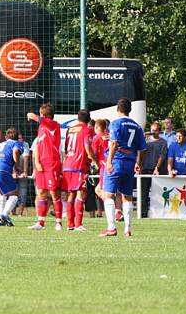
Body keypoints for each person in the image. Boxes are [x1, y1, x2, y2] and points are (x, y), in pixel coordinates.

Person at [100, 98, 146, 237]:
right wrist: (138, 163)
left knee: (108, 194)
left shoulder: (116, 123)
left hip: (117, 161)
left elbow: (113, 144)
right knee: (127, 196)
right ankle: (127, 229)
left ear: (118, 109)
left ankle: (111, 228)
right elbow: (143, 149)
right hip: (130, 163)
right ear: (129, 110)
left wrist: (109, 161)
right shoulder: (137, 126)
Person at [27, 103, 63, 231]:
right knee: (41, 192)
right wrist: (37, 163)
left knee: (54, 192)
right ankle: (40, 222)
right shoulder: (41, 128)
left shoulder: (54, 125)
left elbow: (41, 120)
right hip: (41, 163)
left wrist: (32, 116)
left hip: (51, 162)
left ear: (44, 115)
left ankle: (58, 222)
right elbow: (38, 146)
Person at [61, 110, 97, 231]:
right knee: (82, 193)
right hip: (79, 164)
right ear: (88, 119)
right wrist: (95, 161)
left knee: (71, 194)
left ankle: (70, 224)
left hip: (67, 164)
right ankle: (78, 224)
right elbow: (87, 146)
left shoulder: (70, 129)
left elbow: (65, 149)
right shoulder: (87, 130)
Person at [140, 122, 168, 217]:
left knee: (159, 194)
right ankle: (143, 214)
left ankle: (159, 214)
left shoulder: (163, 142)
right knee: (143, 193)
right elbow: (139, 151)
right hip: (145, 170)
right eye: (152, 130)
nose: (153, 132)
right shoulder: (145, 140)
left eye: (155, 130)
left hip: (157, 171)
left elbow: (162, 156)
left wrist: (157, 167)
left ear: (159, 131)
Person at [14, 132, 30, 216]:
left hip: (22, 172)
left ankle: (20, 213)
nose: (20, 140)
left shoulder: (25, 145)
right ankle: (13, 213)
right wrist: (14, 171)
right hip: (13, 172)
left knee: (23, 194)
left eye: (21, 138)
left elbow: (26, 159)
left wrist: (25, 172)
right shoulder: (13, 145)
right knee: (13, 193)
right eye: (18, 138)